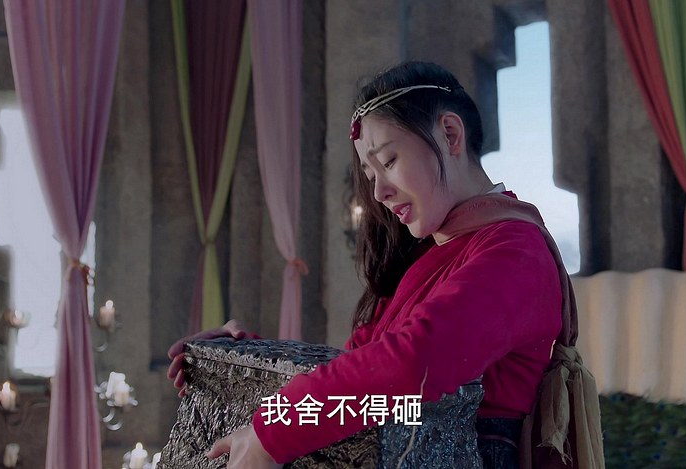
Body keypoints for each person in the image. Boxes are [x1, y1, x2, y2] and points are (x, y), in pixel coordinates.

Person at [168, 61, 603, 468]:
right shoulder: (432, 256)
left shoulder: (515, 251)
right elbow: (361, 379)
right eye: (370, 175)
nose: (379, 193)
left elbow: (411, 366)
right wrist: (239, 362)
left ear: (451, 135)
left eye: (389, 161)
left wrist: (273, 432)